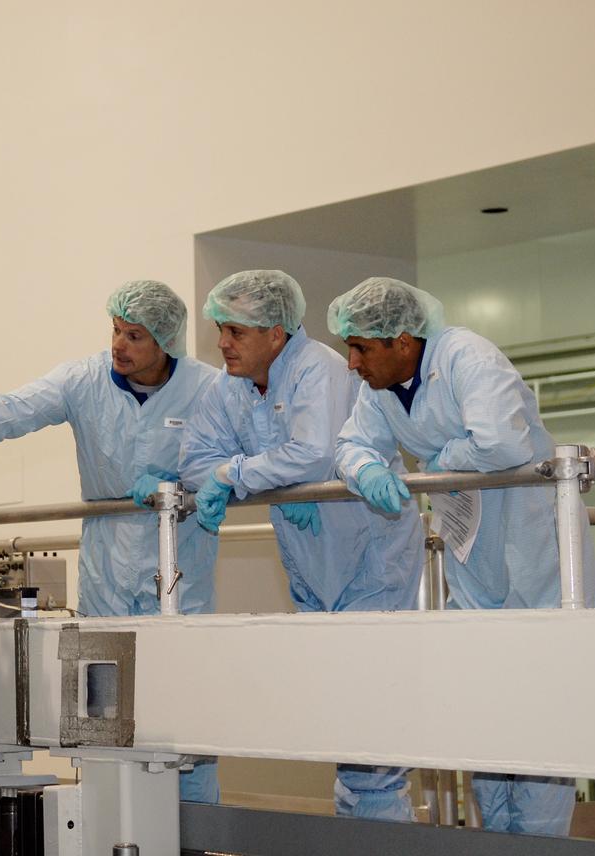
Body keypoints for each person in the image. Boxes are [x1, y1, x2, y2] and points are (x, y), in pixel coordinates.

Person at [0, 280, 221, 802]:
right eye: (115, 330)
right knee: (103, 708)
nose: (119, 345)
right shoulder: (84, 379)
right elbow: (16, 407)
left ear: (165, 343)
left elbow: (233, 458)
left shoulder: (208, 388)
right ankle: (113, 819)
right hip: (106, 560)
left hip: (178, 555)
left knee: (183, 708)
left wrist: (184, 486)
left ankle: (198, 831)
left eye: (134, 336)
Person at [330, 276, 595, 836]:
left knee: (541, 699)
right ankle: (499, 846)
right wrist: (368, 469)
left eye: (360, 347)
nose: (352, 362)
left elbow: (505, 444)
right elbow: (350, 445)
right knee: (487, 697)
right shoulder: (380, 386)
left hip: (533, 536)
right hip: (470, 542)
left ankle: (541, 847)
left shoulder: (466, 357)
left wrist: (435, 462)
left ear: (402, 340)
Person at [179, 270, 424, 821]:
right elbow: (194, 460)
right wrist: (251, 473)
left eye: (236, 332)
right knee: (338, 706)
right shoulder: (230, 387)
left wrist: (241, 472)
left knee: (370, 711)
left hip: (371, 553)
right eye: (221, 329)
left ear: (276, 333)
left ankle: (382, 834)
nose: (222, 344)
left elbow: (315, 453)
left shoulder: (323, 369)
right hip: (309, 562)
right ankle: (356, 828)